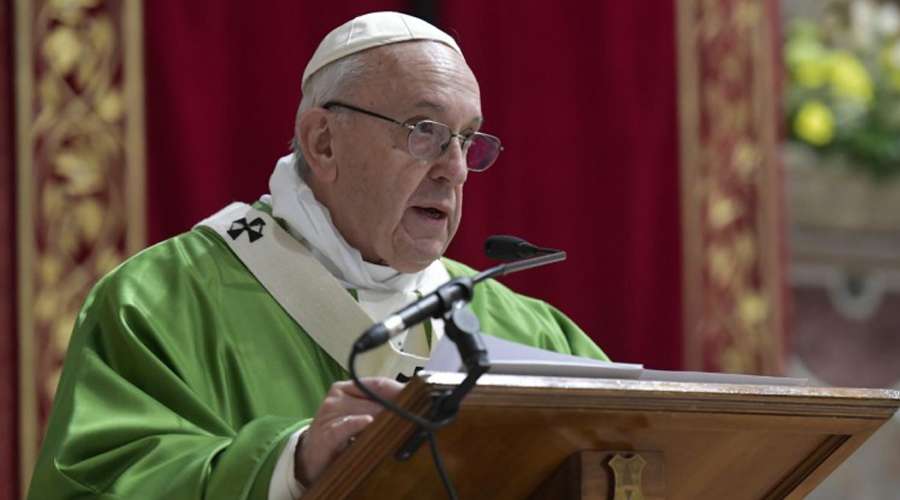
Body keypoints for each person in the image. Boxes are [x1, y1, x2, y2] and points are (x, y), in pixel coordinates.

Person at [27, 11, 608, 500]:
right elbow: (97, 481)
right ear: (322, 141)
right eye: (425, 131)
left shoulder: (525, 329)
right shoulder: (160, 302)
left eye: (466, 140)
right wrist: (291, 464)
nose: (454, 168)